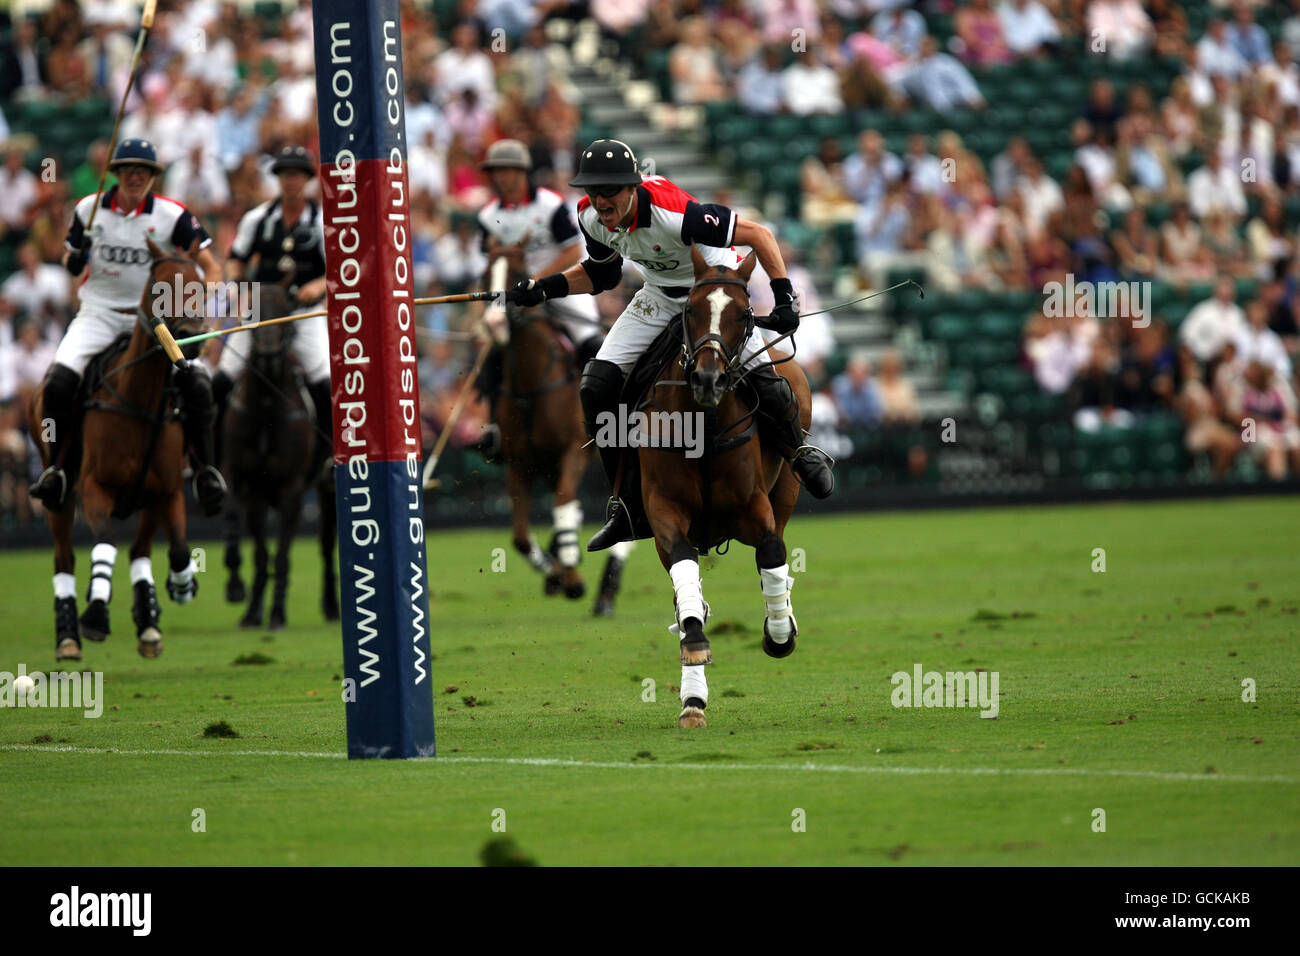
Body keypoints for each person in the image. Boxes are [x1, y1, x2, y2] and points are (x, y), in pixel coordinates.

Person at [506, 139, 834, 551]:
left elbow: (760, 235)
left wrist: (785, 298)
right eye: (593, 190)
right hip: (660, 294)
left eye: (609, 191)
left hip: (714, 287)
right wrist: (542, 288)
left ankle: (799, 453)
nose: (600, 199)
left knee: (766, 380)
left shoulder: (674, 212)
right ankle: (626, 506)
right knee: (596, 384)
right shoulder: (590, 217)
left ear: (632, 188)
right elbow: (602, 275)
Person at [29, 138, 226, 514]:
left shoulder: (173, 215)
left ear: (153, 176)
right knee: (57, 383)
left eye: (144, 171)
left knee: (198, 383)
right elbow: (70, 261)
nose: (136, 177)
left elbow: (211, 265)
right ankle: (56, 468)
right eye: (128, 170)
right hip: (99, 313)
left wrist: (205, 300)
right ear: (117, 174)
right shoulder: (88, 209)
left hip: (157, 321)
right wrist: (78, 254)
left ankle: (205, 470)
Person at [473, 138, 605, 460]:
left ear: (522, 171)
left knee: (591, 341)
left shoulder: (550, 204)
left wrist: (537, 282)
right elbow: (488, 259)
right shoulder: (488, 215)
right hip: (509, 293)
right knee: (490, 348)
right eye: (497, 171)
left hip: (558, 284)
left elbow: (573, 250)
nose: (502, 176)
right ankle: (494, 429)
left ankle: (604, 419)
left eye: (508, 169)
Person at [213, 146, 331, 469]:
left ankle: (329, 458)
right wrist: (241, 289)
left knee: (325, 382)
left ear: (307, 179)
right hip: (261, 315)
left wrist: (318, 286)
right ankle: (207, 460)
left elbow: (338, 269)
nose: (290, 181)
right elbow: (235, 261)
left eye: (296, 175)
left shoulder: (322, 221)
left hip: (303, 315)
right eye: (284, 174)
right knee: (222, 379)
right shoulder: (258, 219)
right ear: (278, 179)